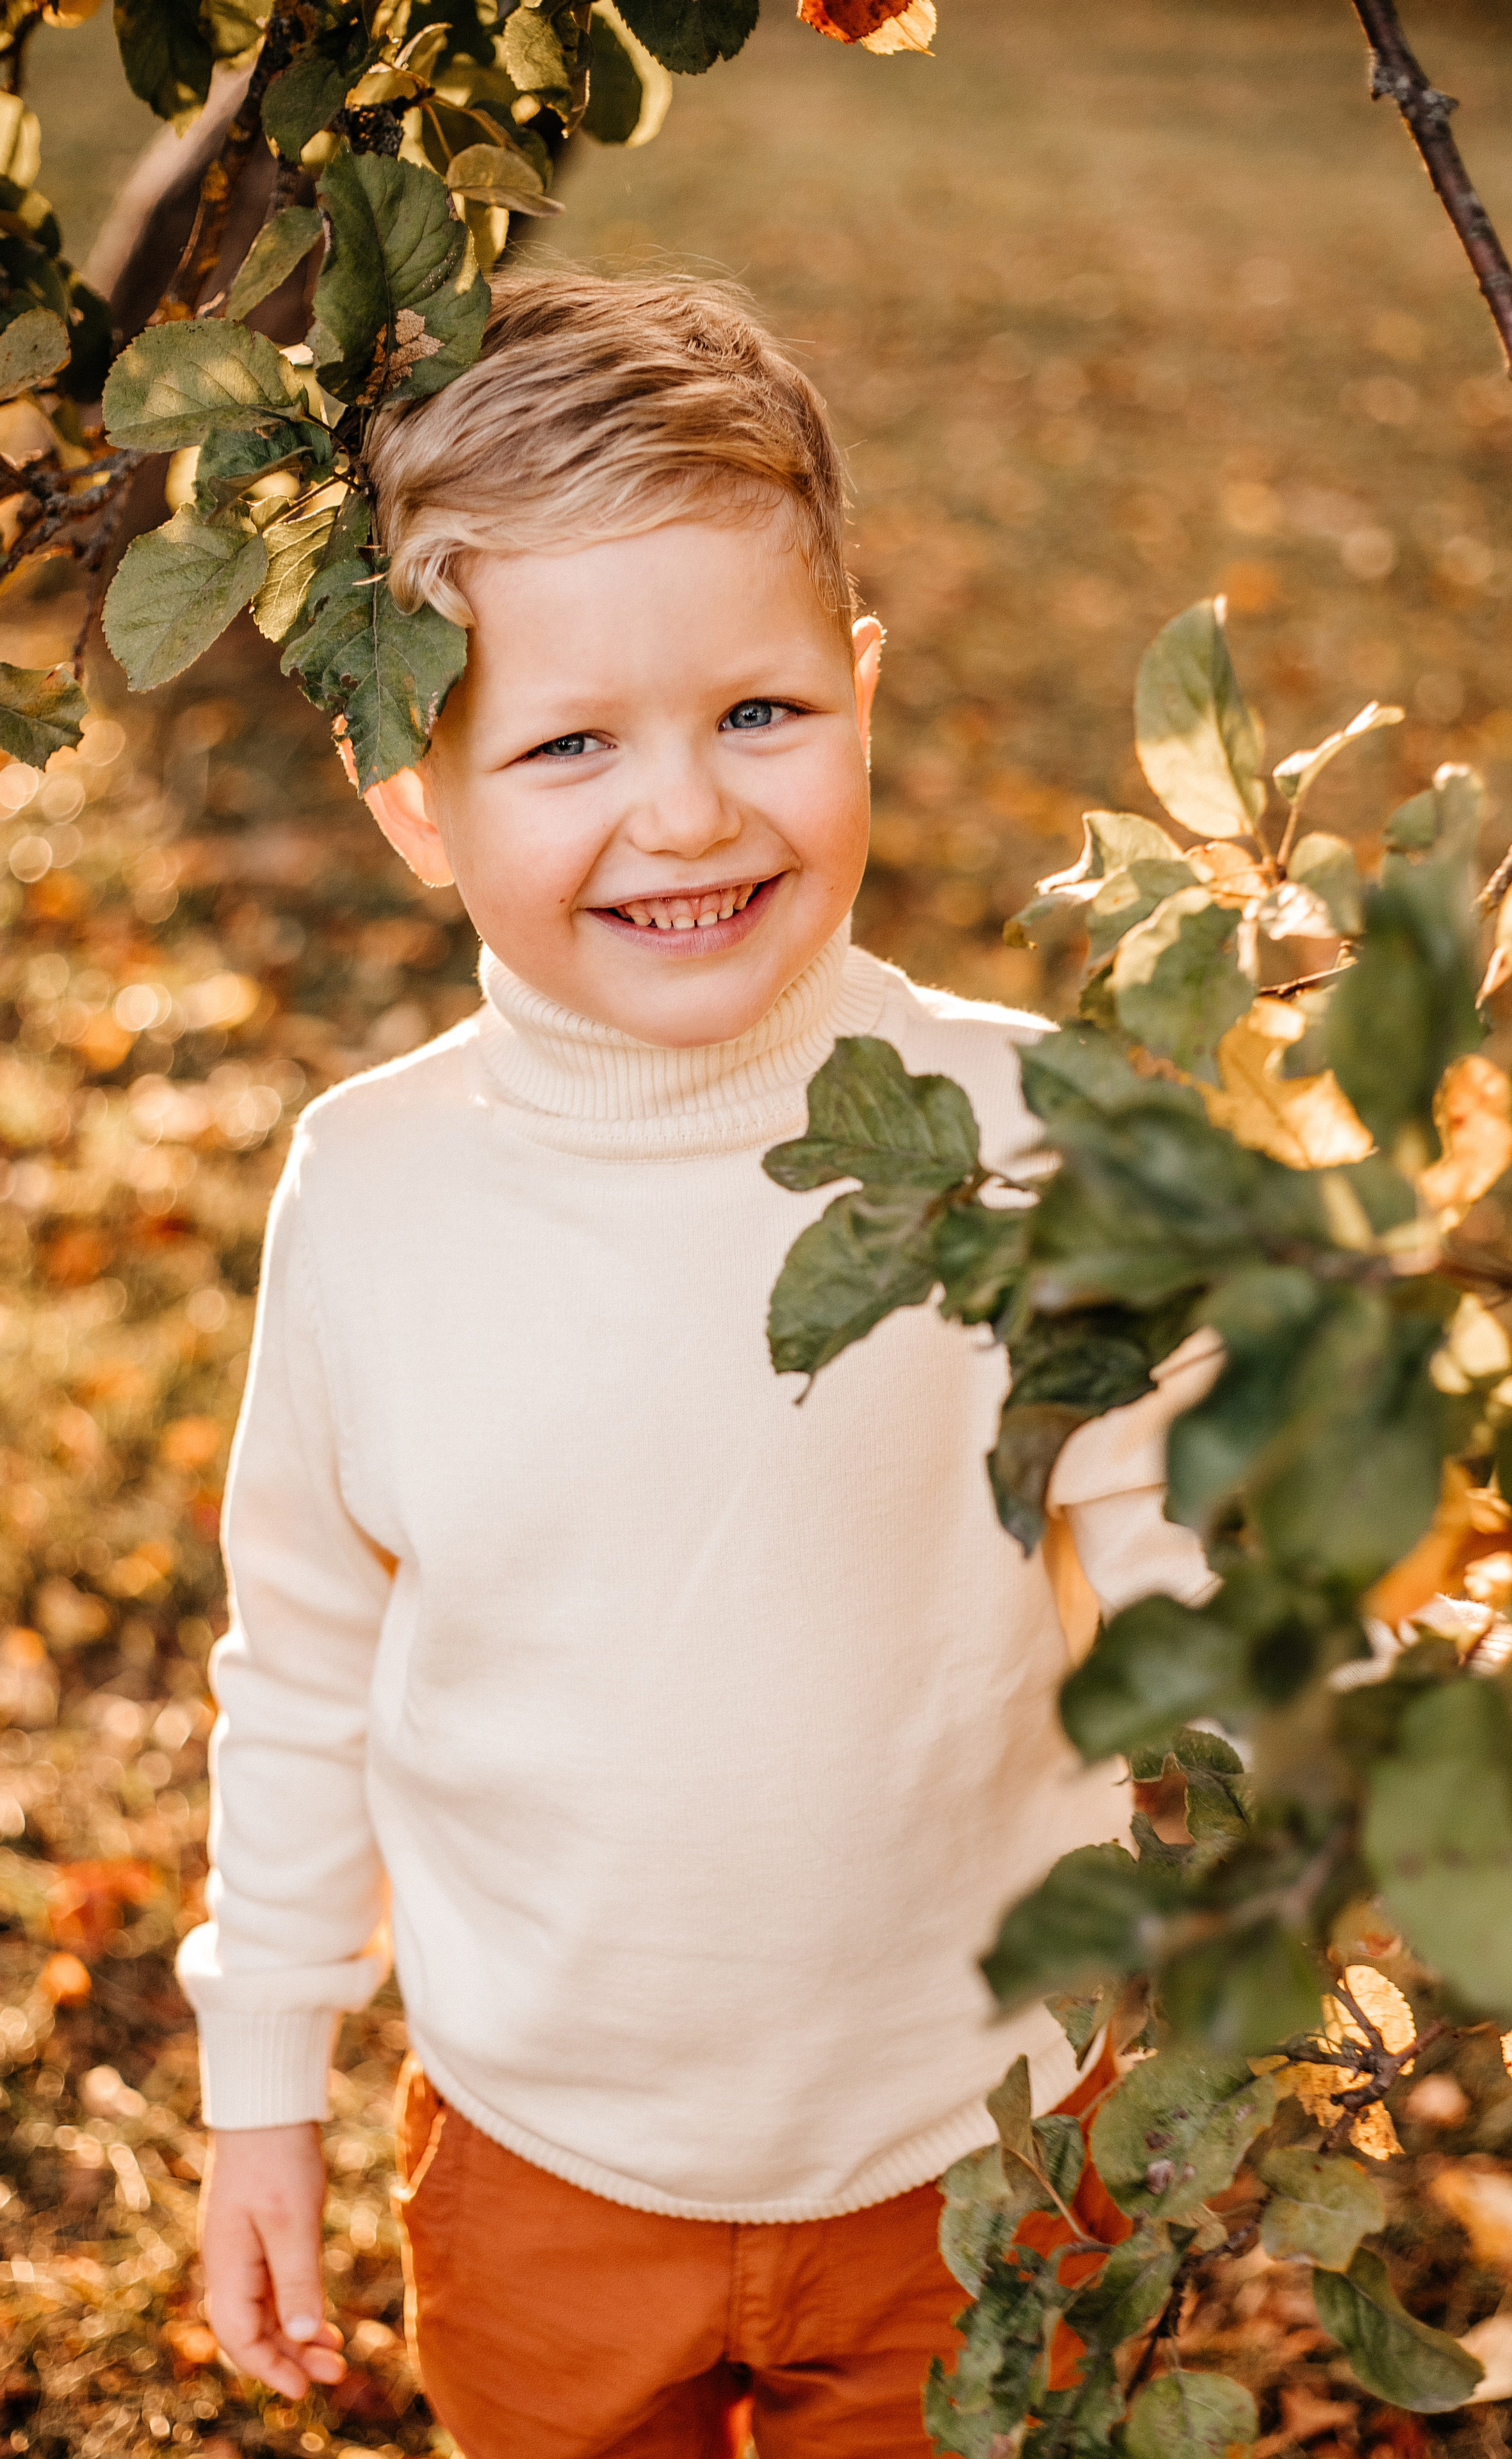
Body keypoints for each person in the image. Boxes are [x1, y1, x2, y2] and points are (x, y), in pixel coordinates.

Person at [180, 270, 1217, 2459]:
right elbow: (302, 1668)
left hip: (984, 2139)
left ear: (860, 690)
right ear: (410, 791)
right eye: (568, 745)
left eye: (760, 713)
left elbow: (1192, 1569)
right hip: (549, 2160)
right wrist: (263, 2085)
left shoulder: (1042, 1136)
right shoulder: (373, 1196)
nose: (686, 816)